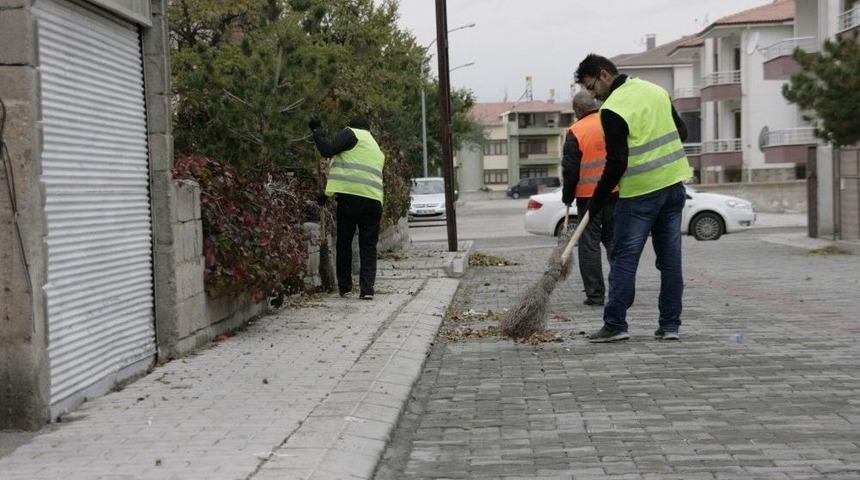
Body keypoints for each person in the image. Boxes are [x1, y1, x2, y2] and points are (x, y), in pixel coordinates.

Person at [575, 54, 691, 343]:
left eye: (591, 87)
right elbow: (682, 132)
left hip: (640, 193)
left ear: (603, 75)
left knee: (624, 259)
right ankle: (670, 326)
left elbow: (616, 163)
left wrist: (597, 199)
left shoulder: (613, 108)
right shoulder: (656, 91)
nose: (593, 95)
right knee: (671, 261)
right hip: (674, 186)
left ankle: (615, 324)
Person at [309, 116, 385, 300]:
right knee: (368, 246)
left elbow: (327, 151)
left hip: (351, 199)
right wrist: (326, 195)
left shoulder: (350, 133)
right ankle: (367, 290)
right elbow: (352, 171)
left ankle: (345, 288)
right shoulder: (374, 146)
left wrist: (317, 133)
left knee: (344, 243)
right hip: (374, 200)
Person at [561, 90, 617, 307]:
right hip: (614, 193)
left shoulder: (576, 131)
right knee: (613, 241)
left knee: (589, 244)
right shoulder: (609, 121)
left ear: (577, 109)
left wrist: (567, 196)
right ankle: (621, 288)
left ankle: (595, 294)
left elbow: (570, 170)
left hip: (589, 197)